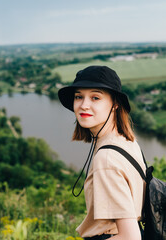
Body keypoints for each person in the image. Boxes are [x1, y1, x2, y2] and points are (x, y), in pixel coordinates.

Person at [58, 66, 146, 240]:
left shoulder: (106, 158)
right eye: (79, 97)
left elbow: (130, 237)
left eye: (95, 97)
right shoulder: (127, 141)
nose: (84, 105)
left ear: (115, 104)